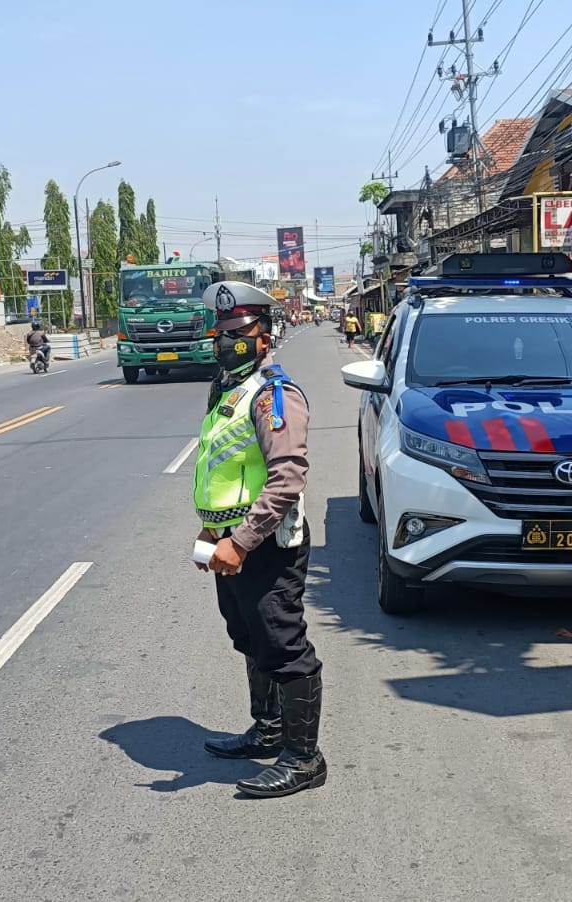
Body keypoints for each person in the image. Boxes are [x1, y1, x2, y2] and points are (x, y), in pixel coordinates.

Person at [193, 280, 325, 798]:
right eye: (221, 333)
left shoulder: (274, 395)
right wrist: (211, 527)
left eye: (239, 333)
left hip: (268, 544)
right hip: (232, 542)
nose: (227, 342)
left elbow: (287, 478)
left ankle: (303, 758)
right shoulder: (228, 390)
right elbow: (219, 468)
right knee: (249, 636)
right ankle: (268, 729)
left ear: (265, 337)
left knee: (284, 646)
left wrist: (242, 540)